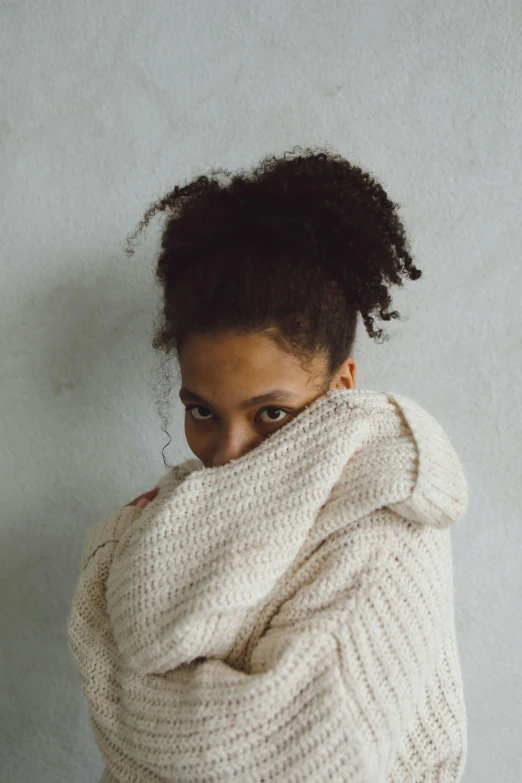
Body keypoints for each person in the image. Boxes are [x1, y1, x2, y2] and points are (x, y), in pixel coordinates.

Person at [68, 145, 468, 782]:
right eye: (201, 411)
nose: (227, 454)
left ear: (341, 389)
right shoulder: (171, 513)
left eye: (270, 414)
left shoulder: (391, 530)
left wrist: (118, 679)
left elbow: (295, 758)